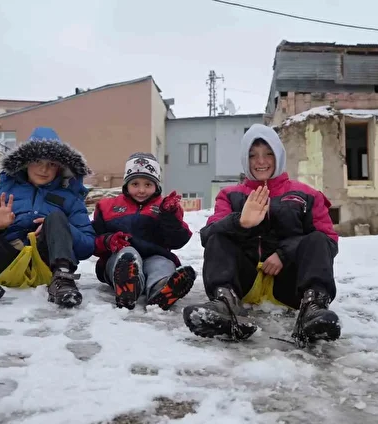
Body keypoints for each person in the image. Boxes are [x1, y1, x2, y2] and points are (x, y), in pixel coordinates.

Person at [182, 124, 340, 345]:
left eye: (268, 154)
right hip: (244, 284)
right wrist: (240, 222)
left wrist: (284, 254)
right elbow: (208, 235)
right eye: (252, 155)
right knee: (218, 236)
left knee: (318, 239)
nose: (261, 161)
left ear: (279, 155)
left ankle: (313, 307)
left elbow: (328, 240)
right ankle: (225, 303)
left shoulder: (306, 194)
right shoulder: (230, 195)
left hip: (290, 285)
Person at [0, 127, 95, 310]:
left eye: (52, 164)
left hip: (48, 267)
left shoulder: (71, 198)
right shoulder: (1, 190)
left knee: (56, 217)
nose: (44, 169)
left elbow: (87, 246)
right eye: (37, 161)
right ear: (26, 162)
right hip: (5, 265)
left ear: (61, 167)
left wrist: (60, 228)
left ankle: (63, 282)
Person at [92, 152, 196, 310]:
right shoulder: (107, 207)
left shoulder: (164, 207)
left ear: (156, 185)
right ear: (126, 184)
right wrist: (109, 241)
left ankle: (161, 290)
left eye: (148, 184)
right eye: (135, 184)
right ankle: (128, 285)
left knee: (162, 264)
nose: (141, 190)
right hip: (118, 258)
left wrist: (169, 217)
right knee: (128, 255)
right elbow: (93, 239)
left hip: (154, 256)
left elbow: (177, 241)